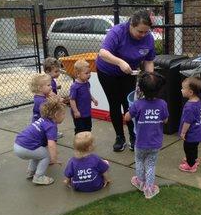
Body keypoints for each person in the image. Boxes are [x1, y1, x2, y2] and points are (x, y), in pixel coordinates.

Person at [96, 10, 155, 152]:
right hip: (107, 72)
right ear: (131, 25)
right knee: (115, 103)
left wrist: (150, 78)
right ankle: (119, 137)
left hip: (129, 73)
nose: (143, 35)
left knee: (130, 105)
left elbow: (149, 61)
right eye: (140, 31)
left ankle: (133, 136)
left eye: (146, 32)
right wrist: (120, 62)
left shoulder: (148, 38)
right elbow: (103, 53)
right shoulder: (118, 32)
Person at [124, 72, 168, 199]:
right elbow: (165, 120)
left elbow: (127, 117)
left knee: (139, 161)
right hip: (155, 143)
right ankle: (149, 189)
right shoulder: (162, 104)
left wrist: (130, 112)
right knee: (151, 165)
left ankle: (140, 182)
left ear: (141, 89)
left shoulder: (137, 104)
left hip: (140, 142)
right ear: (159, 90)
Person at [14, 99, 66, 185]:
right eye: (63, 114)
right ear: (56, 115)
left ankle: (31, 172)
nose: (64, 116)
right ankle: (39, 177)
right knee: (45, 156)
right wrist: (54, 158)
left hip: (18, 144)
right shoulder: (51, 126)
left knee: (38, 154)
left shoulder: (43, 120)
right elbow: (51, 144)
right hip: (25, 147)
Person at [178, 77, 201, 173]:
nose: (181, 90)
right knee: (194, 147)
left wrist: (183, 132)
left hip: (192, 133)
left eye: (183, 88)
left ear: (190, 92)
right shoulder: (198, 101)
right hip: (199, 131)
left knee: (188, 148)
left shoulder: (189, 107)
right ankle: (194, 159)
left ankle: (191, 165)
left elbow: (187, 122)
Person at [69, 59, 98, 134]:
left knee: (88, 128)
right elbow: (72, 100)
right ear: (78, 74)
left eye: (89, 72)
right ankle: (79, 144)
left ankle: (86, 142)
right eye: (86, 73)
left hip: (87, 112)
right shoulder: (75, 87)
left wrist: (93, 99)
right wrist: (76, 111)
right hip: (79, 114)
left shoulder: (87, 83)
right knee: (80, 130)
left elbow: (88, 93)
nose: (89, 74)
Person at [43, 57, 64, 138]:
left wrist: (56, 87)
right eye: (56, 71)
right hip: (51, 103)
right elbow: (49, 93)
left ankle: (52, 131)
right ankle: (53, 133)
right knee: (53, 117)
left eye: (58, 71)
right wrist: (58, 99)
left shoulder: (49, 80)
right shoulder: (49, 81)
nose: (58, 73)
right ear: (48, 71)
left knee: (51, 117)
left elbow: (51, 88)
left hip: (51, 102)